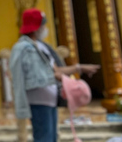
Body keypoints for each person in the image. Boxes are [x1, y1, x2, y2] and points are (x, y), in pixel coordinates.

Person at [10, 9, 100, 142]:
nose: (45, 28)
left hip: (50, 100)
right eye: (43, 25)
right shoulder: (24, 47)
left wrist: (79, 68)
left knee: (52, 138)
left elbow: (56, 70)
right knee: (44, 137)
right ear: (36, 27)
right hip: (38, 100)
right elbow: (43, 75)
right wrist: (70, 82)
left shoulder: (41, 46)